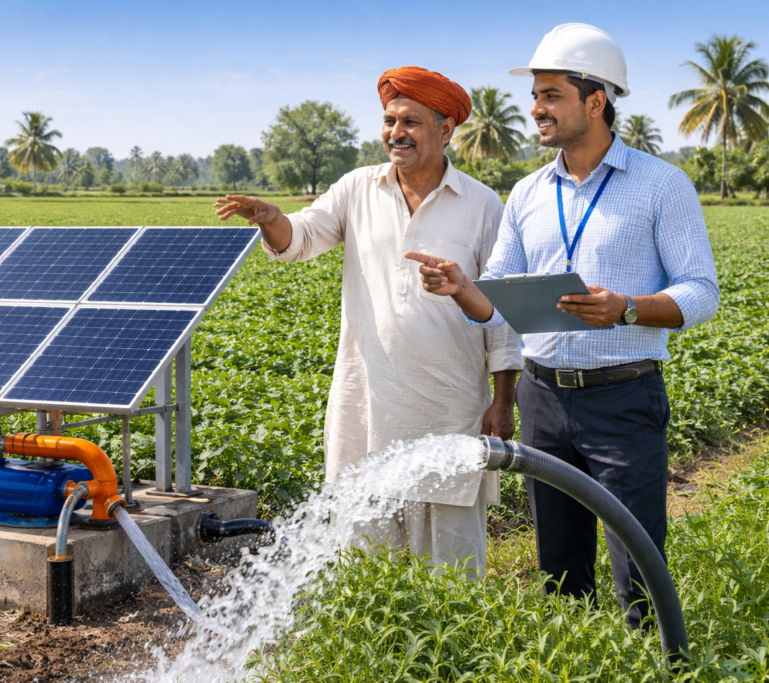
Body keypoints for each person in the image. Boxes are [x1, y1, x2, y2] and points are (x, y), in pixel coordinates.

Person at [408, 23, 719, 627]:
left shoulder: (662, 186)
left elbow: (701, 293)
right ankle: (576, 657)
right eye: (536, 95)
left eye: (551, 94)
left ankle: (653, 660)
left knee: (639, 565)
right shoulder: (527, 192)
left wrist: (626, 307)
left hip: (623, 395)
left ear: (595, 100)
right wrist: (461, 287)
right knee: (560, 567)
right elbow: (496, 300)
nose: (536, 109)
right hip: (543, 396)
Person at [214, 66, 523, 574]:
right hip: (368, 405)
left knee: (450, 565)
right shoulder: (357, 188)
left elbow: (502, 312)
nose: (395, 134)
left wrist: (504, 400)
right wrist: (273, 219)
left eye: (411, 122)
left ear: (446, 130)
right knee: (365, 558)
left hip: (448, 407)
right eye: (389, 121)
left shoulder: (483, 205)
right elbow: (304, 237)